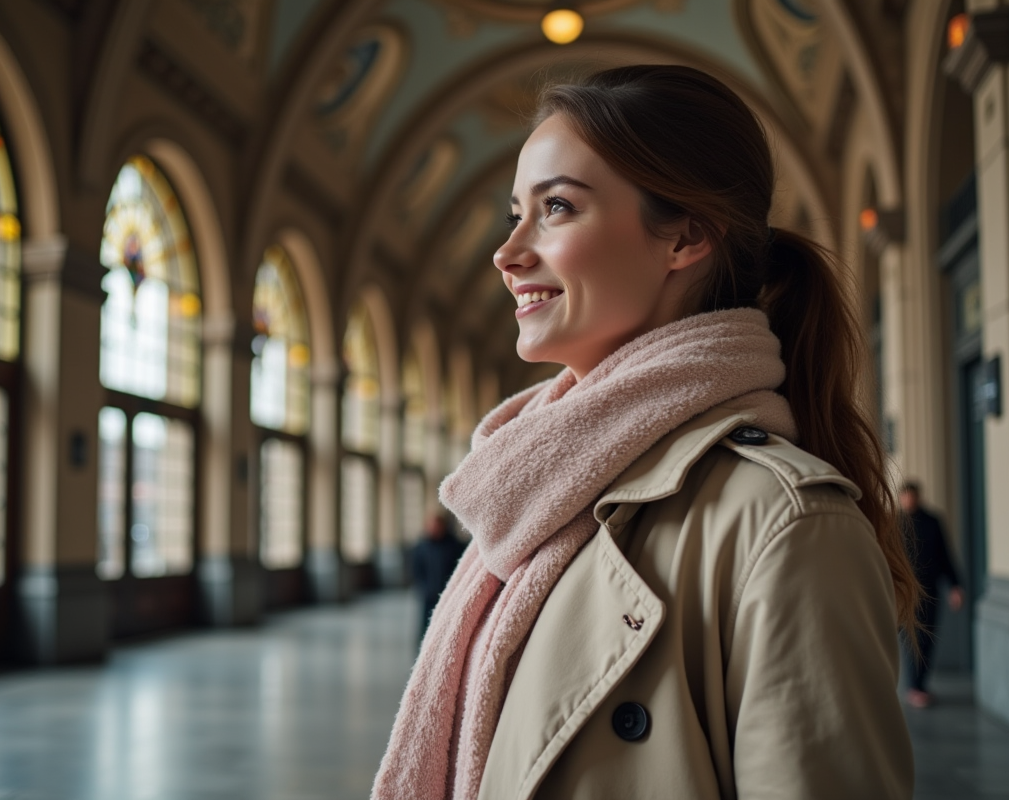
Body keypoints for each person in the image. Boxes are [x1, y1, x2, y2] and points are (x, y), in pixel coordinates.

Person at [372, 65, 918, 800]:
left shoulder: (784, 523)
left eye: (557, 207)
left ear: (685, 238)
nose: (507, 253)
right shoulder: (531, 501)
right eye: (515, 213)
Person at [899, 480, 964, 708]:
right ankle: (913, 686)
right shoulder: (894, 523)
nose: (909, 500)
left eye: (912, 496)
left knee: (927, 638)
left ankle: (920, 685)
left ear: (918, 496)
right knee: (910, 638)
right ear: (901, 498)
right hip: (905, 592)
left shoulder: (933, 521)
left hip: (930, 590)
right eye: (905, 496)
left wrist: (955, 586)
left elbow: (945, 555)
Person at [410, 513, 467, 639]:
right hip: (429, 596)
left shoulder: (454, 546)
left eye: (437, 525)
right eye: (432, 526)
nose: (435, 529)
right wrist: (424, 588)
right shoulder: (421, 547)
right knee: (426, 627)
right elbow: (416, 570)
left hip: (449, 595)